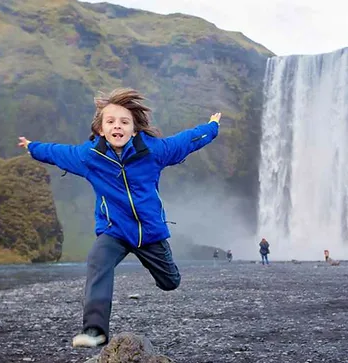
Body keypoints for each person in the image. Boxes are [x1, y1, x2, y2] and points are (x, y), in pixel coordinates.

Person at [18, 88, 221, 348]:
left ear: (134, 130)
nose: (118, 126)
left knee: (170, 282)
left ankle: (164, 274)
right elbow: (58, 152)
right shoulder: (89, 157)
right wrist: (33, 147)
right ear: (101, 129)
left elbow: (188, 141)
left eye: (124, 122)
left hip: (149, 234)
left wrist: (212, 127)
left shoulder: (154, 151)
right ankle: (95, 330)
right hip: (114, 231)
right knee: (97, 261)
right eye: (111, 121)